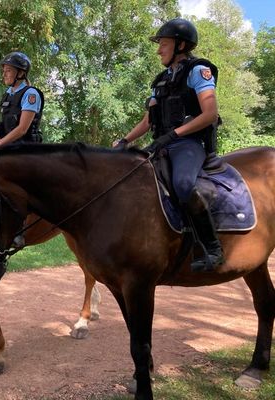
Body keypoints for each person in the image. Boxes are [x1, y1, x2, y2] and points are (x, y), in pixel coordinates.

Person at [113, 18, 224, 272]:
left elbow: (208, 114)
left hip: (189, 144)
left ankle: (212, 247)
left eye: (163, 44)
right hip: (162, 144)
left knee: (183, 184)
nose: (159, 49)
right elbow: (146, 121)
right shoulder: (160, 80)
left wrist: (173, 135)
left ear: (181, 45)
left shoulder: (198, 71)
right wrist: (125, 140)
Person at [0, 51, 44, 154]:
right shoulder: (7, 95)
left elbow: (22, 129)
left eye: (8, 71)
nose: (4, 74)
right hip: (10, 148)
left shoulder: (30, 94)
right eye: (3, 71)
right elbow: (3, 128)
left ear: (20, 73)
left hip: (27, 151)